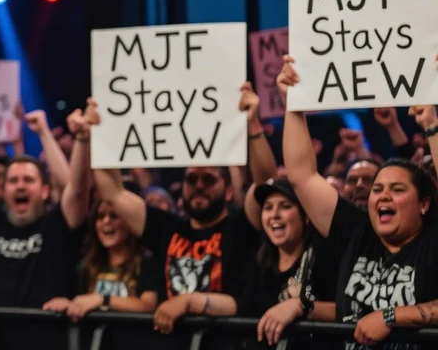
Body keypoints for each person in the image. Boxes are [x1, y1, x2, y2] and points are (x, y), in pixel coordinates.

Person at [278, 54, 438, 349]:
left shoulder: (432, 239)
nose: (383, 195)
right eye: (377, 189)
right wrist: (294, 104)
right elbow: (301, 176)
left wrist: (390, 317)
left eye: (397, 189)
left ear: (424, 204)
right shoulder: (356, 230)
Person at [91, 84, 272, 334]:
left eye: (208, 179)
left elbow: (265, 181)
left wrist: (252, 125)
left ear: (228, 190)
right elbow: (113, 192)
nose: (198, 186)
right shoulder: (166, 227)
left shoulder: (241, 226)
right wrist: (99, 130)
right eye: (191, 179)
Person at [0, 94, 91, 310]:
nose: (20, 186)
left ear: (45, 191)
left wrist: (79, 139)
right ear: (4, 191)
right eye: (13, 181)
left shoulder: (58, 226)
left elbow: (77, 191)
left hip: (41, 330)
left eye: (28, 180)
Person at [246, 178, 337, 346]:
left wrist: (301, 306)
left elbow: (348, 310)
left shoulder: (323, 258)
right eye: (268, 207)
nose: (274, 215)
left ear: (305, 215)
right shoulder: (260, 264)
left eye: (285, 206)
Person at [44, 199, 161, 320]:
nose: (106, 221)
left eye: (114, 216)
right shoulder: (87, 265)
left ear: (129, 222)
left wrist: (103, 299)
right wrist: (68, 305)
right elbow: (81, 301)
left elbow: (148, 306)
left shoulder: (147, 263)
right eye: (100, 217)